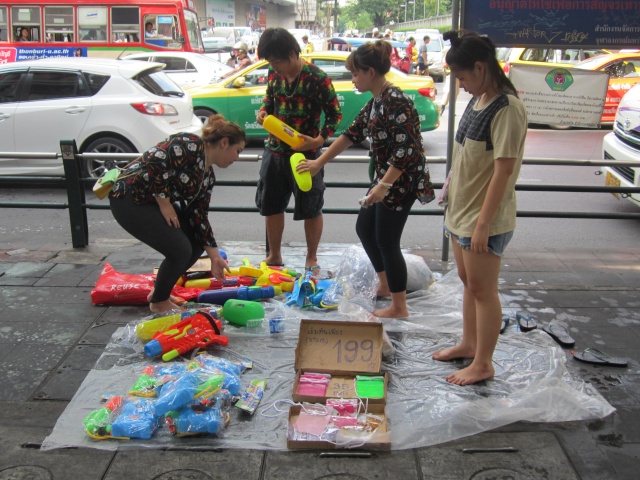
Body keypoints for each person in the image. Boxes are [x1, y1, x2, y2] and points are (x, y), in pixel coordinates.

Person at [296, 40, 434, 318]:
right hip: (386, 178)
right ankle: (384, 284)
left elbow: (407, 150)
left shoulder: (396, 100)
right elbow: (350, 134)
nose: (353, 80)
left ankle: (399, 306)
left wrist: (383, 186)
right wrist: (318, 162)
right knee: (365, 228)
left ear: (370, 71)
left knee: (386, 240)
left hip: (400, 180)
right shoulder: (376, 101)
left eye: (355, 74)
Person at [431, 31, 528, 385]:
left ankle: (484, 362)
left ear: (479, 67)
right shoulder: (479, 99)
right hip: (461, 211)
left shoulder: (507, 107)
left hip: (483, 217)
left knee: (483, 290)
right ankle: (469, 344)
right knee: (468, 283)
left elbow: (503, 170)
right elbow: (466, 158)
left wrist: (484, 224)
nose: (460, 84)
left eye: (461, 77)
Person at [109, 115, 246, 314]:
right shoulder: (190, 144)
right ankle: (159, 302)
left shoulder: (207, 176)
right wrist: (164, 202)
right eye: (238, 151)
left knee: (196, 242)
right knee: (180, 249)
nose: (237, 158)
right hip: (130, 199)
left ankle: (160, 291)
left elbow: (199, 215)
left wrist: (214, 256)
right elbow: (154, 158)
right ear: (224, 143)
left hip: (150, 202)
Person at [255, 28, 342, 270]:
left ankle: (311, 257)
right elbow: (269, 101)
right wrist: (263, 113)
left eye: (276, 61)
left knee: (311, 207)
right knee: (271, 205)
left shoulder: (317, 77)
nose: (274, 67)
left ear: (292, 54)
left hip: (306, 154)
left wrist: (318, 140)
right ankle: (274, 255)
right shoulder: (274, 76)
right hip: (274, 151)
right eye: (270, 62)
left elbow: (335, 115)